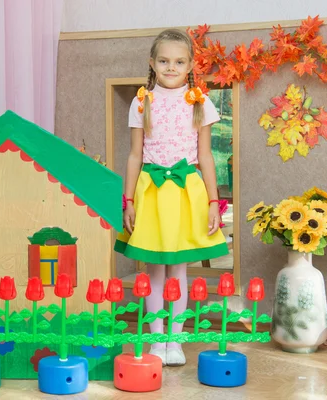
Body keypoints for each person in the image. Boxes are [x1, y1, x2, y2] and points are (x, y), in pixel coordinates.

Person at [114, 28, 229, 366]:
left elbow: (205, 156)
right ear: (153, 63)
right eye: (163, 61)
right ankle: (156, 339)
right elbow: (135, 156)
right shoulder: (141, 101)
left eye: (179, 61)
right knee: (154, 268)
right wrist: (129, 200)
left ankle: (175, 339)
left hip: (185, 190)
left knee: (178, 266)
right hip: (151, 191)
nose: (170, 67)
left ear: (191, 64)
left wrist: (212, 201)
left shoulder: (200, 102)